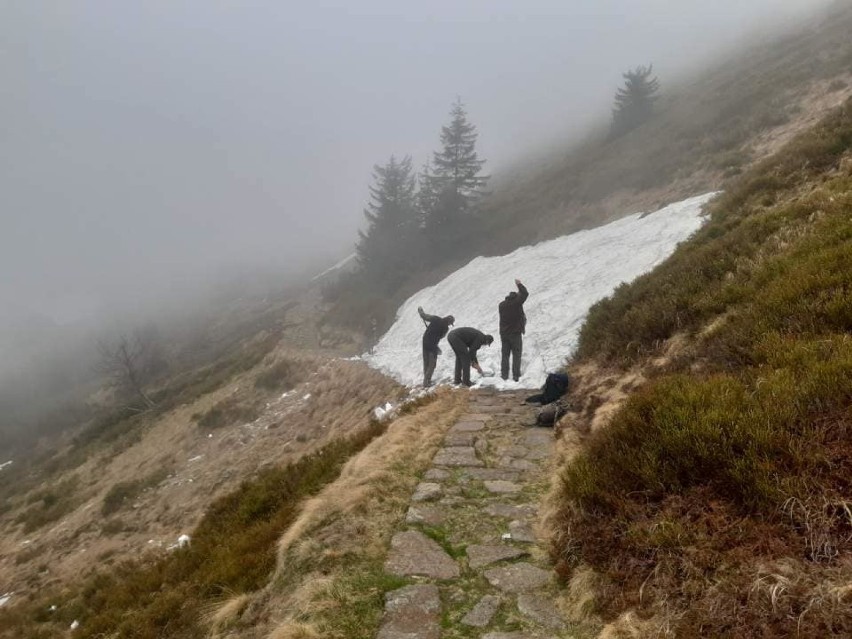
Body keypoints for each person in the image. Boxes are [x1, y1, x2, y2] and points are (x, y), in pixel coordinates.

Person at [498, 279, 529, 382]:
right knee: (516, 355)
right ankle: (516, 376)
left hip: (504, 334)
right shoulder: (517, 303)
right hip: (515, 334)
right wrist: (519, 284)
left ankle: (504, 376)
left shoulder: (501, 305)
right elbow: (525, 293)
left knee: (505, 355)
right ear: (516, 297)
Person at [418, 306, 455, 386]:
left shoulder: (435, 319)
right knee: (432, 364)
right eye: (450, 323)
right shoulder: (445, 329)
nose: (449, 325)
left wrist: (421, 311)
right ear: (449, 322)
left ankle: (427, 380)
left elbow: (424, 316)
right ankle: (426, 381)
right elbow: (441, 336)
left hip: (425, 341)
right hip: (433, 345)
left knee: (426, 362)